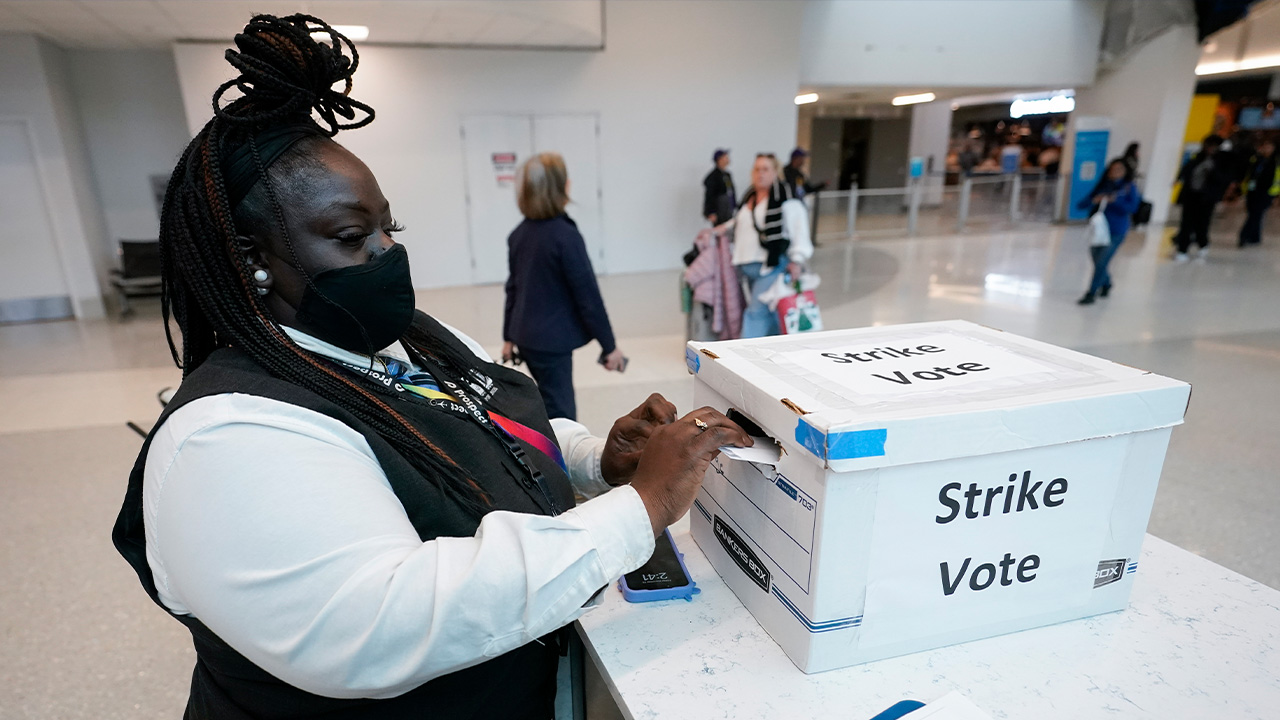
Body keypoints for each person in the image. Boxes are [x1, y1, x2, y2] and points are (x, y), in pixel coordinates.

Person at [111, 16, 750, 719]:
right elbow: (383, 622)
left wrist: (599, 460)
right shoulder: (230, 435)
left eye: (393, 228)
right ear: (248, 256)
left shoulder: (412, 338)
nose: (387, 253)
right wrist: (641, 509)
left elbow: (482, 421)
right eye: (354, 237)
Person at [503, 152, 622, 421]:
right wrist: (610, 346)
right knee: (562, 411)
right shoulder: (566, 237)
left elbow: (513, 289)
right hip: (551, 342)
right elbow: (588, 296)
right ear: (563, 187)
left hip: (525, 336)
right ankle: (559, 461)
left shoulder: (519, 235)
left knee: (547, 400)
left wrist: (508, 336)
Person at [716, 153, 813, 338]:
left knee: (755, 312)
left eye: (766, 169)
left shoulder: (786, 199)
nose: (760, 174)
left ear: (776, 172)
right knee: (770, 311)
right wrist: (720, 229)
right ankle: (775, 349)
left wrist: (797, 260)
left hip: (772, 266)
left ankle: (745, 356)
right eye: (757, 169)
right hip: (747, 265)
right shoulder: (749, 198)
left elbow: (799, 231)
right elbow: (739, 223)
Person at [1076, 158, 1141, 305]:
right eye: (1112, 169)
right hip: (1098, 231)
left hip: (1116, 231)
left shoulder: (1128, 188)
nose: (1115, 172)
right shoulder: (1103, 186)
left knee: (1101, 262)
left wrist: (1115, 201)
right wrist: (1095, 200)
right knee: (1097, 259)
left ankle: (1091, 292)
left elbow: (1133, 208)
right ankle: (1106, 283)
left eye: (1119, 169)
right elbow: (1081, 204)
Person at [1173, 134, 1232, 262]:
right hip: (1191, 195)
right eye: (1208, 145)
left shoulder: (1222, 161)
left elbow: (1223, 179)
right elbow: (1186, 171)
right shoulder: (1197, 158)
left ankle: (1203, 244)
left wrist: (1212, 171)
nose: (1210, 149)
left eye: (1213, 146)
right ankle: (1182, 249)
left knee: (1202, 224)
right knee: (1186, 224)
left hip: (1206, 198)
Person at [1238, 138, 1278, 247]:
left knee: (1255, 215)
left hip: (1266, 193)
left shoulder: (1275, 161)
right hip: (1252, 191)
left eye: (1269, 147)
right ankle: (1255, 237)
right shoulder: (1256, 159)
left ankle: (1243, 236)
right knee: (1255, 214)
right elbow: (1248, 172)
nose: (1267, 149)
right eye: (1265, 146)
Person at [702, 148, 736, 225]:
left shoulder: (727, 175)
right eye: (725, 157)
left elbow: (731, 191)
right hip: (719, 209)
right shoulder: (713, 177)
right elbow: (709, 195)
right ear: (719, 159)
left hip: (728, 208)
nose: (728, 159)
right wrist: (711, 212)